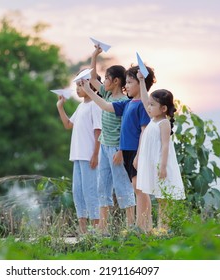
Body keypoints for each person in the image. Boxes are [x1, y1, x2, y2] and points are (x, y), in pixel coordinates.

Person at [81, 64, 156, 233]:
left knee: (136, 188)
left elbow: (144, 131)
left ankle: (141, 226)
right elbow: (106, 106)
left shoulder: (141, 106)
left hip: (131, 152)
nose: (126, 85)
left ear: (140, 83)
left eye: (130, 82)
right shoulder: (128, 104)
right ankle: (138, 226)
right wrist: (89, 90)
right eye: (127, 82)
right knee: (134, 188)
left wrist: (135, 155)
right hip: (123, 149)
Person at [88, 45, 136, 235]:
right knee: (103, 186)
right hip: (105, 146)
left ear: (116, 81)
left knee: (122, 185)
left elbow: (127, 130)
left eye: (107, 78)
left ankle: (131, 225)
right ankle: (103, 227)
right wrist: (95, 55)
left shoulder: (123, 102)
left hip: (117, 148)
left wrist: (122, 151)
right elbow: (92, 79)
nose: (104, 81)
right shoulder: (107, 93)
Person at [134, 70, 186, 232]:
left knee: (164, 198)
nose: (148, 107)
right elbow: (144, 99)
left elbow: (165, 146)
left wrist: (162, 166)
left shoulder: (164, 123)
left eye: (152, 105)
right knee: (157, 196)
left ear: (163, 108)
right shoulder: (152, 120)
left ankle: (165, 228)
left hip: (161, 165)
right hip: (151, 164)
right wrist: (142, 81)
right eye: (149, 105)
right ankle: (159, 228)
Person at [56, 74, 102, 235]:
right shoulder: (81, 106)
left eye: (81, 85)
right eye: (77, 85)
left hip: (89, 156)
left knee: (90, 192)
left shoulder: (95, 105)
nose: (77, 89)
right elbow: (68, 125)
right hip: (77, 156)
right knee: (78, 192)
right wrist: (60, 107)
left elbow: (98, 131)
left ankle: (95, 230)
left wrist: (95, 154)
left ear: (92, 86)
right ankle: (83, 230)